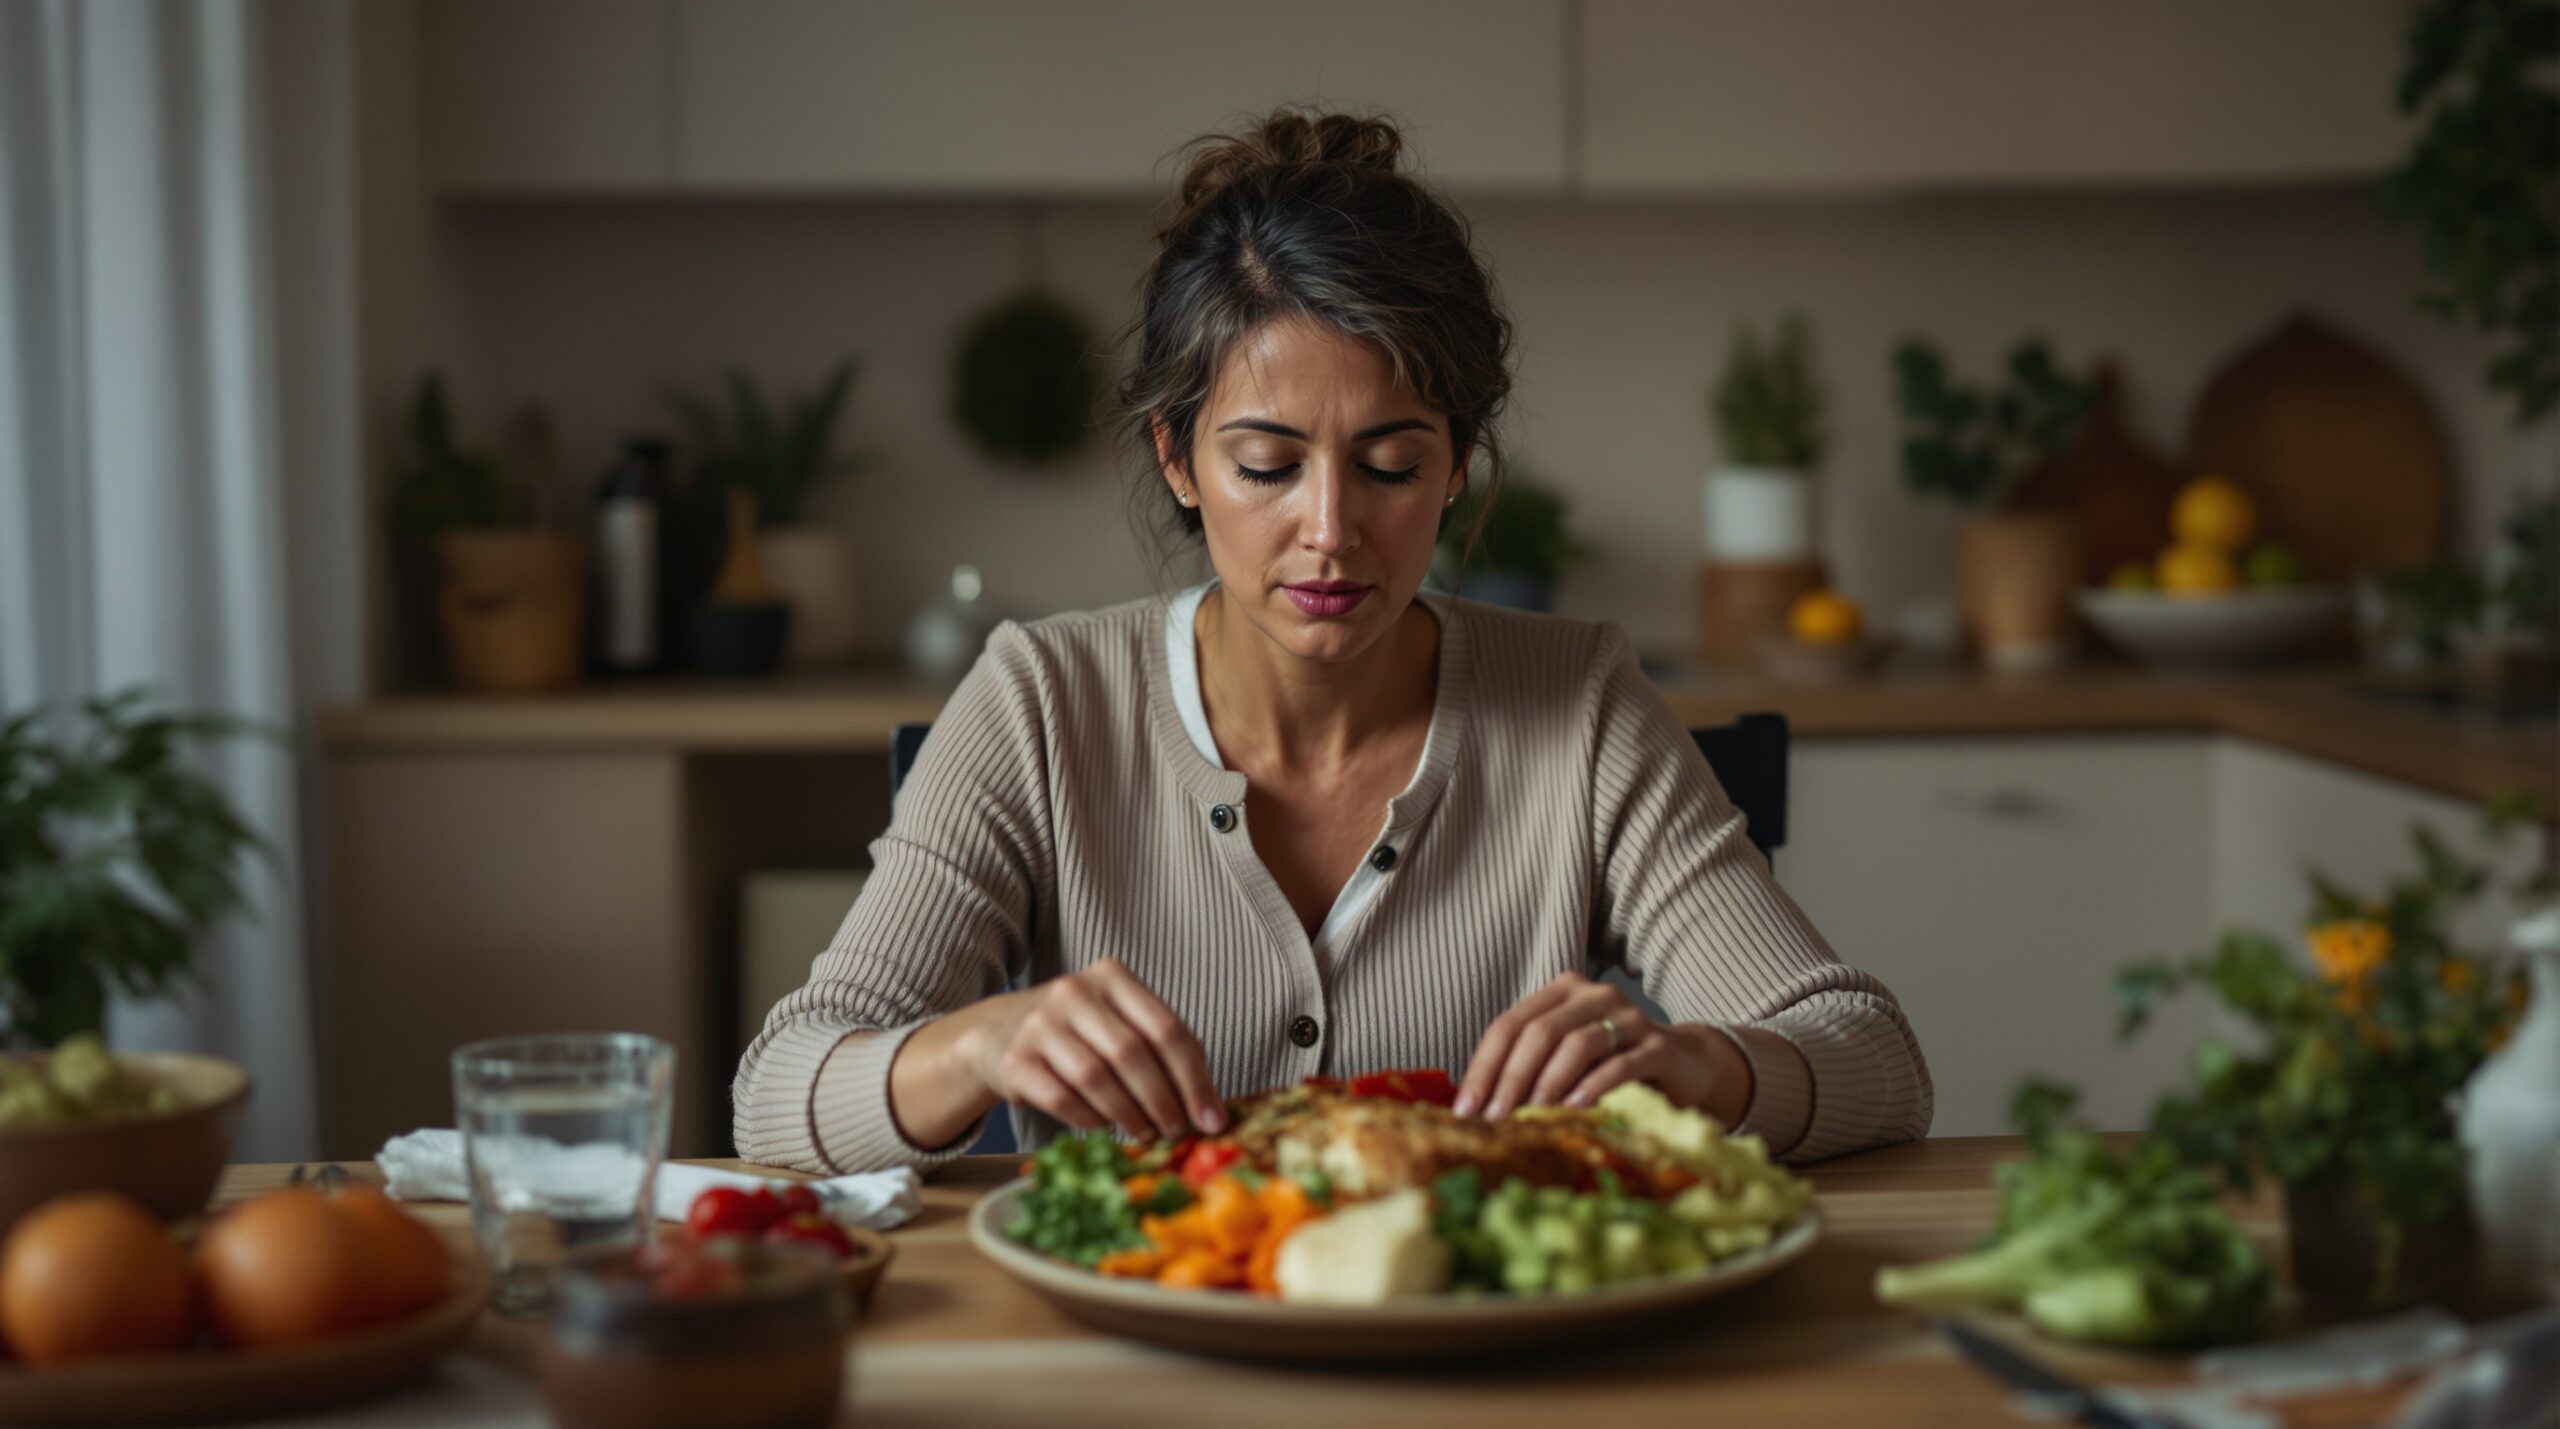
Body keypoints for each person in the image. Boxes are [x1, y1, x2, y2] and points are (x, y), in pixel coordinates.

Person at [734, 109, 1931, 1173]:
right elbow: (776, 1095)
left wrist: (1700, 1066)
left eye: (1391, 466)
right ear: (1176, 458)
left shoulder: (1579, 702)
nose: (1329, 532)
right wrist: (977, 1042)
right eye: (1265, 465)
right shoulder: (1040, 702)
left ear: (1457, 463)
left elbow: (1876, 1059)